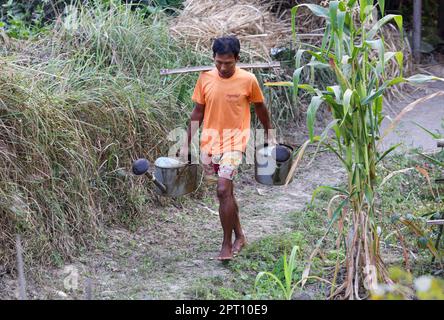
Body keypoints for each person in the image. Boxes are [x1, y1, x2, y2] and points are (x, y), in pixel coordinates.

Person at [179, 36, 276, 261]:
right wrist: (186, 143)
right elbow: (198, 112)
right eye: (219, 62)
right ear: (213, 58)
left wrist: (269, 134)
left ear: (237, 59)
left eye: (228, 63)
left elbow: (260, 107)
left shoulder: (248, 80)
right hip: (210, 143)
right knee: (227, 195)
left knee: (222, 189)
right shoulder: (205, 78)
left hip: (235, 143)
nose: (223, 67)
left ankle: (226, 244)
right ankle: (240, 235)